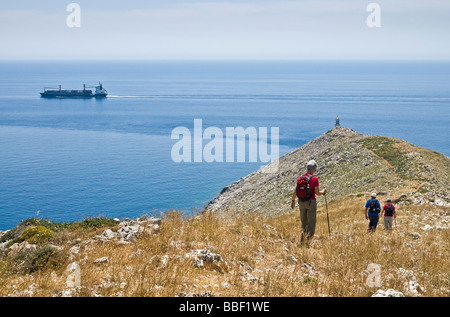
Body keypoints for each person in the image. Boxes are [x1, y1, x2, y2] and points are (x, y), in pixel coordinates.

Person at [291, 160, 327, 246]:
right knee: (311, 223)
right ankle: (308, 243)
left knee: (304, 222)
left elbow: (295, 191)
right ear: (313, 169)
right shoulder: (314, 179)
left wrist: (293, 201)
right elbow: (317, 193)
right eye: (315, 169)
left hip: (301, 202)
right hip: (311, 202)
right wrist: (324, 191)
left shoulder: (300, 178)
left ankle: (302, 241)